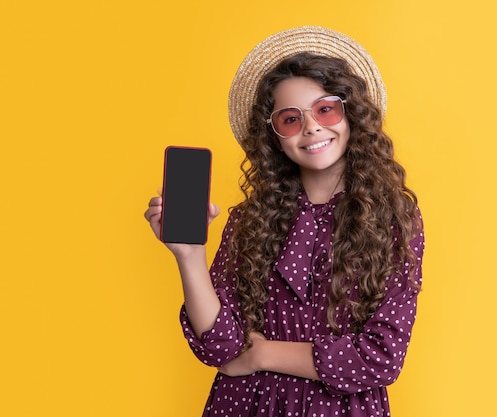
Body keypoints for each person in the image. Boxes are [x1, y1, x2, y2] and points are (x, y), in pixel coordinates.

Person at [144, 26, 425, 417]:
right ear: (274, 136)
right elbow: (220, 348)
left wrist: (262, 354)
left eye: (326, 109)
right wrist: (189, 255)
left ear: (352, 116)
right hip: (245, 405)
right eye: (291, 119)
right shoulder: (250, 220)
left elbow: (381, 358)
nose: (311, 127)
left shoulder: (393, 219)